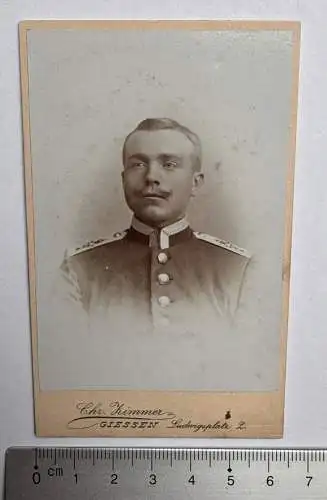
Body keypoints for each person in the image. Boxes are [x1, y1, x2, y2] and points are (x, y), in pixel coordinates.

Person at [60, 118, 251, 335]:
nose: (151, 177)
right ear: (124, 180)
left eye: (169, 164)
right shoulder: (78, 269)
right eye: (138, 165)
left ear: (195, 183)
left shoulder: (238, 269)